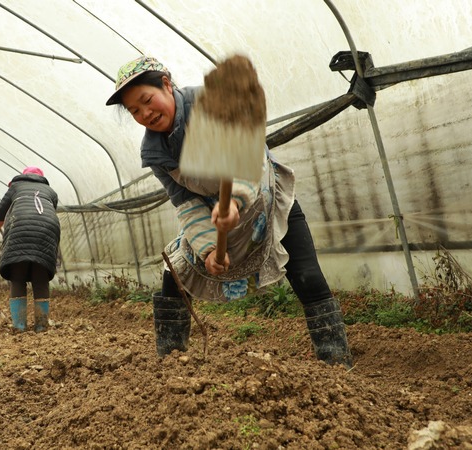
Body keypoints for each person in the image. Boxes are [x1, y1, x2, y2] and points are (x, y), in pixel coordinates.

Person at [106, 55, 352, 367]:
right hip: (212, 213)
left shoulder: (211, 105)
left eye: (147, 100)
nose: (145, 114)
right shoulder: (154, 150)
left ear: (166, 85)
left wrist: (234, 201)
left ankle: (336, 365)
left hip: (263, 196)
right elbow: (185, 202)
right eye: (135, 111)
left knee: (306, 275)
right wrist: (209, 248)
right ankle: (169, 365)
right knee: (175, 275)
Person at [0, 166, 61, 333]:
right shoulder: (51, 192)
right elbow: (46, 214)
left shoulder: (15, 187)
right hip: (48, 230)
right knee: (40, 274)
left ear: (23, 177)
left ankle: (19, 327)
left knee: (18, 276)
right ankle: (41, 326)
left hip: (20, 228)